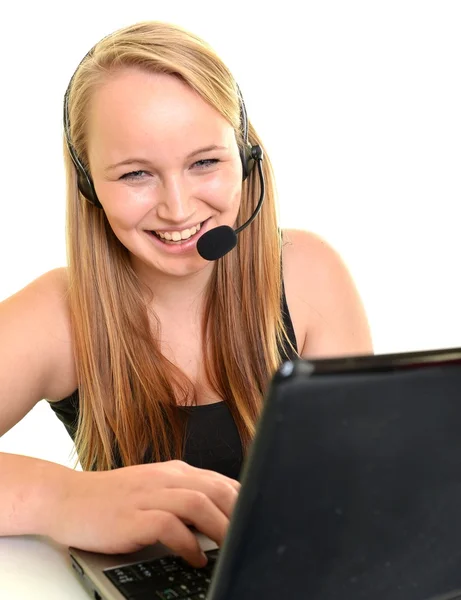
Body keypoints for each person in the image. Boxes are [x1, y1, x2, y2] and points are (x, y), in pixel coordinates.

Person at [0, 20, 373, 567]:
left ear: (246, 158)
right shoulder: (62, 313)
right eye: (135, 175)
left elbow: (365, 482)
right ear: (89, 187)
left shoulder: (308, 275)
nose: (177, 208)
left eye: (204, 162)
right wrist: (62, 498)